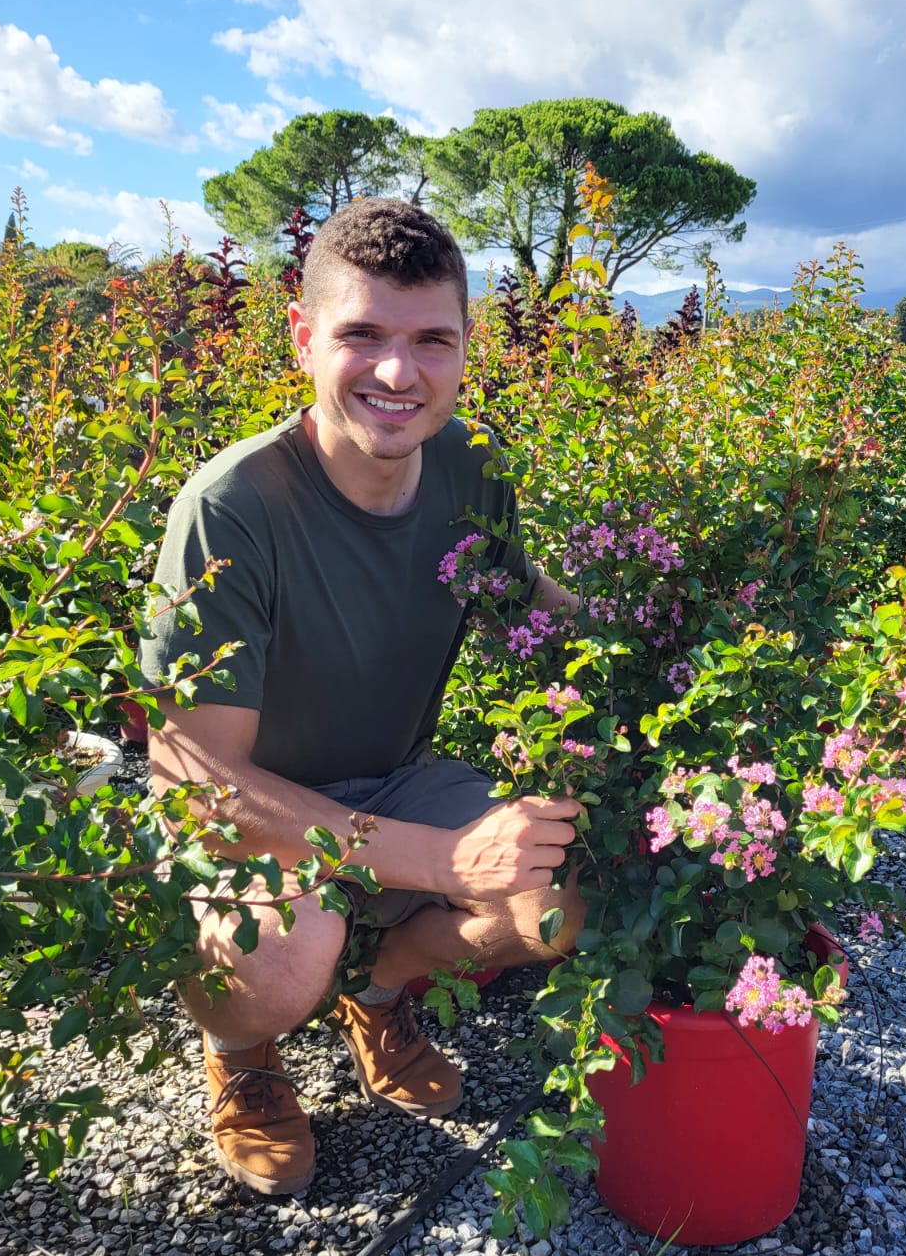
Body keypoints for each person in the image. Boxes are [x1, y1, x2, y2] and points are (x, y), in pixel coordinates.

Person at [142, 199, 583, 1198]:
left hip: (392, 780)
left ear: (465, 348)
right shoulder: (233, 506)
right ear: (304, 338)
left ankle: (382, 992)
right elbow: (200, 782)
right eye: (363, 335)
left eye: (432, 340)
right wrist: (442, 858)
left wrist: (672, 631)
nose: (398, 372)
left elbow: (531, 607)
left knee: (562, 894)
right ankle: (243, 1054)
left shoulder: (470, 467)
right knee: (290, 951)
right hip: (251, 822)